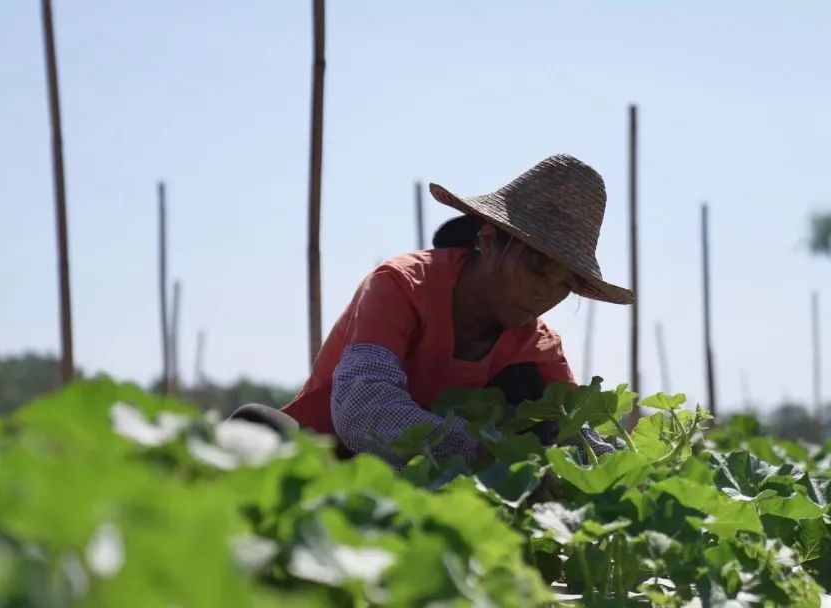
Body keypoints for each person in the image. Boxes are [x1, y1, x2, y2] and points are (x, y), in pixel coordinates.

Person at [235, 155, 635, 469]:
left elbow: (583, 444)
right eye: (536, 268)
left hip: (427, 495)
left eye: (564, 285)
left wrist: (636, 473)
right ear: (489, 240)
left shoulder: (537, 346)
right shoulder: (402, 283)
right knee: (255, 428)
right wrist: (490, 454)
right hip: (328, 465)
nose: (544, 294)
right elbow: (362, 410)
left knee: (538, 402)